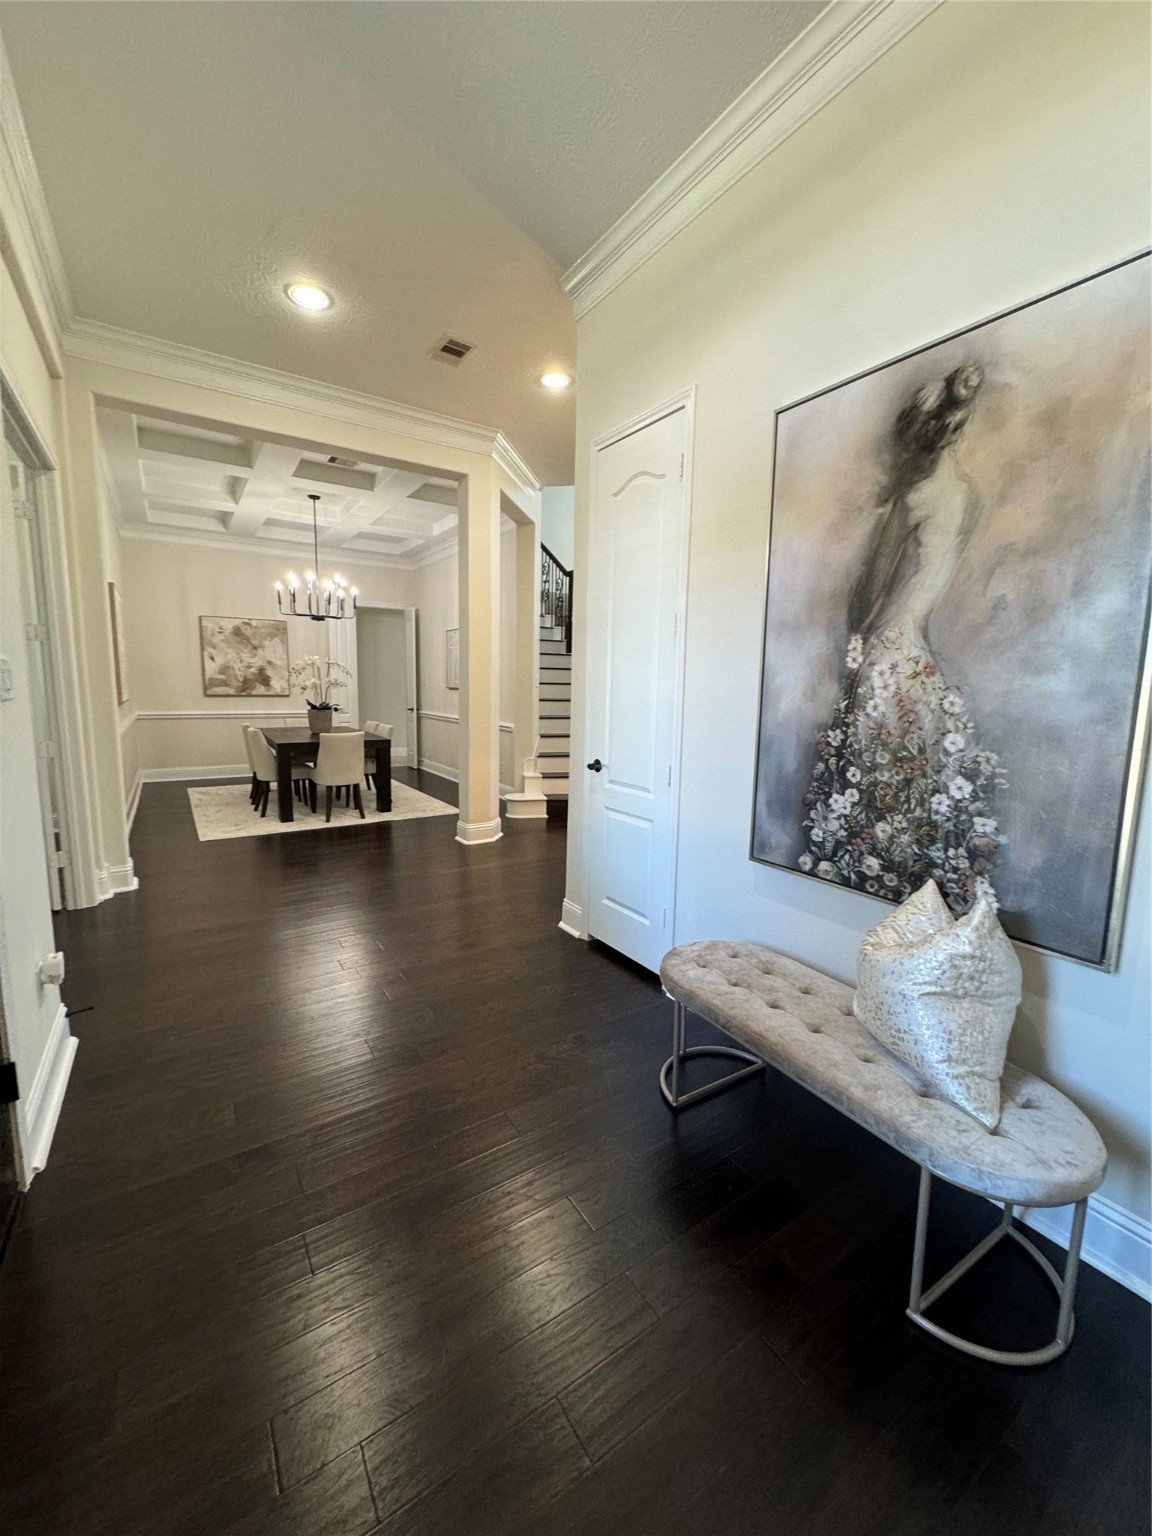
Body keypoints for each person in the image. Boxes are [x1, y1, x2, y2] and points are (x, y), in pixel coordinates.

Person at [799, 363, 1005, 908]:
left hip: (889, 655)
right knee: (917, 793)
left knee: (872, 792)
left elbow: (868, 592)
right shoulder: (967, 495)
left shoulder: (911, 498)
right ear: (955, 430)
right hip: (922, 654)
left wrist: (857, 637)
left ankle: (859, 898)